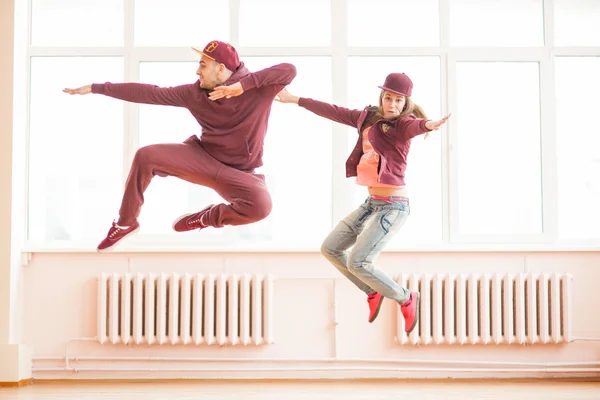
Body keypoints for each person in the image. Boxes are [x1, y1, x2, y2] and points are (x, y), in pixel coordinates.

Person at [63, 40, 297, 252]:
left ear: (220, 68)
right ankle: (126, 222)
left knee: (261, 207)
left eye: (203, 65)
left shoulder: (259, 89)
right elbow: (151, 93)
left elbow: (289, 70)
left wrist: (243, 86)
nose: (197, 71)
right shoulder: (193, 93)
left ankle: (207, 218)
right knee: (146, 155)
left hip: (239, 175)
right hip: (202, 159)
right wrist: (97, 87)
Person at [275, 73, 450, 333]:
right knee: (330, 248)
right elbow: (334, 111)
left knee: (358, 261)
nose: (392, 104)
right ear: (382, 97)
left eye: (398, 100)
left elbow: (416, 126)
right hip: (372, 203)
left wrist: (429, 125)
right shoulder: (367, 117)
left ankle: (406, 297)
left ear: (405, 104)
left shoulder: (404, 125)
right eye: (388, 97)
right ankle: (372, 290)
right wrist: (294, 99)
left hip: (393, 206)